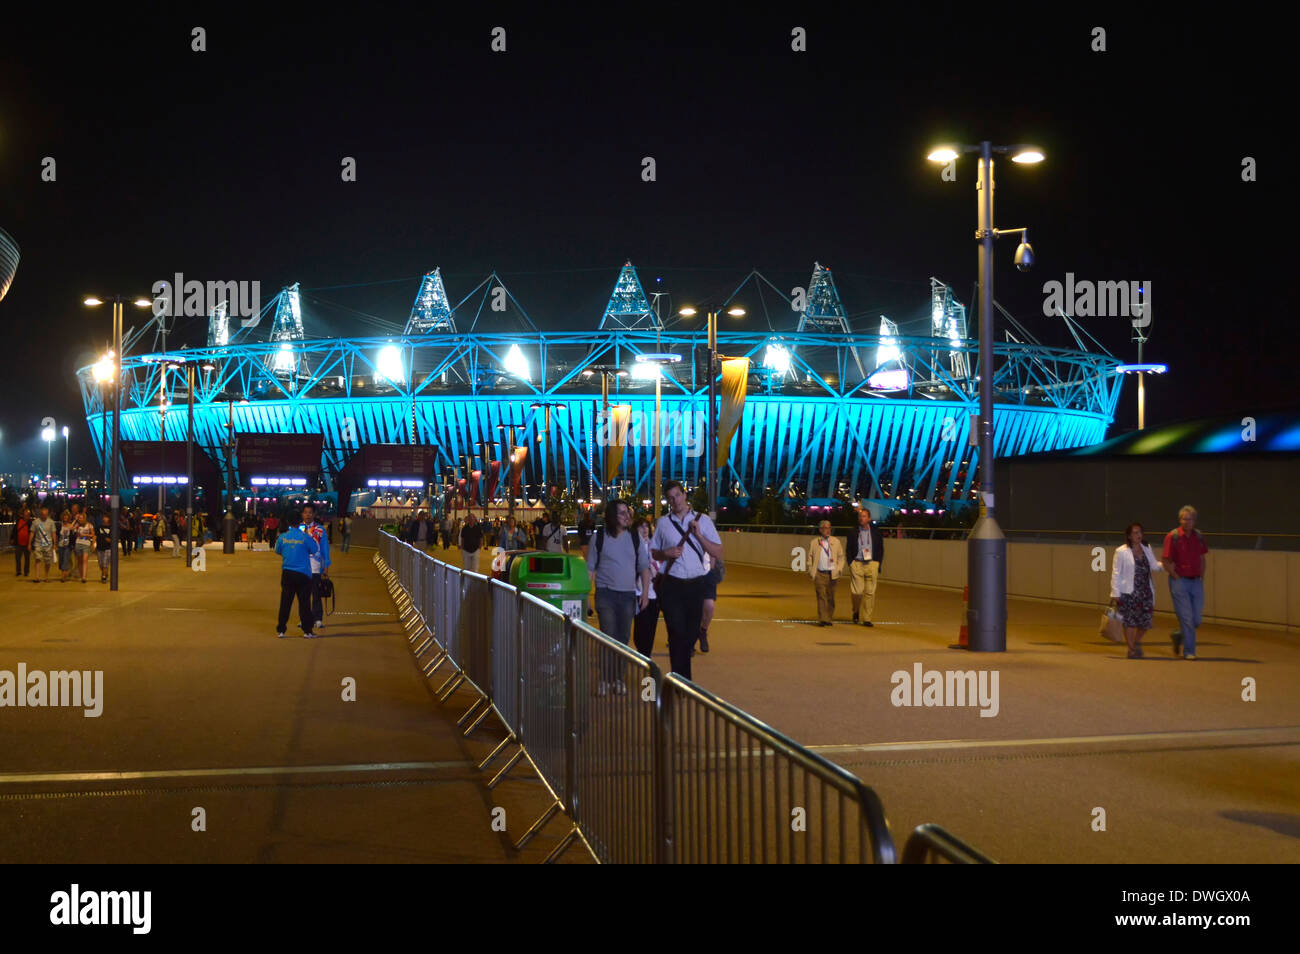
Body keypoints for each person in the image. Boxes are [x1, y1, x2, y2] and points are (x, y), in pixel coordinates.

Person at [651, 481, 724, 679]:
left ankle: (681, 677)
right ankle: (681, 680)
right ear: (668, 500)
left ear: (685, 495)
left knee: (690, 634)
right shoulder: (663, 523)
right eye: (670, 497)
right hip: (672, 585)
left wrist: (699, 535)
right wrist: (665, 553)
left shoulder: (704, 520)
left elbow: (717, 551)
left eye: (677, 495)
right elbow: (653, 552)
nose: (675, 500)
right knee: (676, 632)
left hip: (696, 584)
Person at [588, 501, 652, 693]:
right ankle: (605, 679)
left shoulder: (635, 537)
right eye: (622, 513)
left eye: (628, 512)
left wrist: (646, 593)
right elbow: (590, 569)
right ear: (611, 516)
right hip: (605, 594)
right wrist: (585, 596)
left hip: (627, 595)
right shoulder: (599, 538)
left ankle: (618, 678)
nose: (627, 516)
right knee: (608, 636)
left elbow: (644, 568)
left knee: (623, 639)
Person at [1161, 505, 1210, 660]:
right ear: (1180, 520)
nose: (1186, 522)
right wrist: (1174, 575)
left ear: (1194, 521)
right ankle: (1189, 651)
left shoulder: (1199, 537)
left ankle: (1178, 635)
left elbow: (1202, 558)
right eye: (1183, 519)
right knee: (1187, 618)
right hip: (1179, 582)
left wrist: (1202, 576)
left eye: (1189, 519)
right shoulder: (1173, 536)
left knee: (1196, 619)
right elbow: (1165, 559)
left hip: (1196, 581)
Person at [1110, 522, 1163, 659]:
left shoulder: (1146, 547)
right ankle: (1131, 649)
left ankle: (1136, 642)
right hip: (1129, 592)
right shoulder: (1121, 551)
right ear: (1129, 535)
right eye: (1135, 533)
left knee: (1146, 622)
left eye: (1140, 532)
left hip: (1145, 590)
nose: (1139, 535)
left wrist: (1166, 566)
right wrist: (1115, 593)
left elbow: (1154, 565)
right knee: (1130, 622)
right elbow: (1116, 573)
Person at [274, 514, 320, 638]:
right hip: (303, 573)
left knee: (285, 602)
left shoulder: (283, 537)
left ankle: (281, 630)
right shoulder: (305, 537)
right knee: (304, 603)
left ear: (288, 522)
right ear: (300, 522)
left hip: (288, 572)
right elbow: (315, 549)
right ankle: (307, 631)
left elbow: (277, 550)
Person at [845, 507, 885, 626]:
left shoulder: (876, 532)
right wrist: (851, 563)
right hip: (857, 563)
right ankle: (856, 610)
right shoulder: (853, 532)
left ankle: (867, 618)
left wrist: (878, 563)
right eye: (860, 516)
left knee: (870, 593)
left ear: (869, 518)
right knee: (857, 592)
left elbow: (880, 549)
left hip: (872, 563)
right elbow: (848, 549)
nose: (861, 518)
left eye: (863, 516)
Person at [632, 516, 663, 657]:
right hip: (638, 591)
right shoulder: (632, 546)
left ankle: (646, 656)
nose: (645, 529)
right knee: (641, 626)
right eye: (641, 526)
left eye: (647, 526)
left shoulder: (654, 546)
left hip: (654, 592)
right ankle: (643, 654)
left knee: (651, 628)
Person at [808, 519, 846, 626]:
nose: (827, 530)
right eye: (825, 528)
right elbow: (810, 557)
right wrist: (811, 571)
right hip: (819, 573)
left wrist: (839, 569)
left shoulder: (836, 542)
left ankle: (829, 617)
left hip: (832, 574)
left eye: (829, 528)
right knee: (821, 596)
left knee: (831, 597)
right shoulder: (814, 542)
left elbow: (841, 557)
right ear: (820, 530)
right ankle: (822, 618)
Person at [300, 504, 332, 632]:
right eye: (305, 512)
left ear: (314, 514)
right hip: (301, 567)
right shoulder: (298, 529)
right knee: (303, 596)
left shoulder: (319, 529)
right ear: (302, 514)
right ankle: (304, 619)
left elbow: (325, 547)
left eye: (310, 512)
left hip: (315, 566)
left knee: (316, 594)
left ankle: (318, 618)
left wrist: (326, 564)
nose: (308, 515)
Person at [30, 505, 58, 582]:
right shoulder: (35, 522)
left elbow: (53, 533)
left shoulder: (51, 522)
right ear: (40, 514)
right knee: (38, 559)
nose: (44, 516)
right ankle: (37, 577)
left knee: (47, 561)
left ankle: (46, 576)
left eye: (45, 514)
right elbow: (32, 533)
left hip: (48, 545)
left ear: (47, 514)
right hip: (38, 543)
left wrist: (54, 544)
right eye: (42, 514)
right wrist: (29, 543)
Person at [73, 512, 94, 582]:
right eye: (79, 518)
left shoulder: (89, 525)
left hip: (86, 544)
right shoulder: (77, 525)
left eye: (81, 518)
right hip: (78, 543)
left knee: (85, 560)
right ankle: (81, 575)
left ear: (85, 518)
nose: (80, 519)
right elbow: (70, 528)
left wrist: (85, 535)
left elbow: (92, 534)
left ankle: (84, 577)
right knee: (79, 561)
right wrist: (75, 520)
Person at [95, 513, 114, 583]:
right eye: (104, 517)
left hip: (108, 548)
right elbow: (95, 535)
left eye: (106, 517)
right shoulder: (99, 527)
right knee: (101, 564)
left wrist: (110, 540)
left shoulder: (112, 528)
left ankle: (103, 577)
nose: (104, 519)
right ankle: (105, 573)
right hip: (99, 547)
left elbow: (115, 538)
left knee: (105, 563)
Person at [12, 507, 31, 577]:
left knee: (27, 559)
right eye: (25, 515)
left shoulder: (30, 523)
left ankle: (26, 572)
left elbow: (32, 533)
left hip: (27, 544)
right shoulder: (18, 521)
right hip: (18, 543)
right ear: (23, 515)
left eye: (28, 515)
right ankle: (18, 571)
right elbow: (14, 531)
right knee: (17, 558)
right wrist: (12, 538)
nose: (27, 516)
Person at [57, 509, 75, 581]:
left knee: (65, 559)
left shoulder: (70, 526)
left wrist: (73, 545)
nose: (65, 518)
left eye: (67, 517)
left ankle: (63, 576)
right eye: (64, 517)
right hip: (60, 545)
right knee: (61, 560)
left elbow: (73, 537)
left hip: (68, 545)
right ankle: (64, 572)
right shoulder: (59, 525)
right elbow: (56, 535)